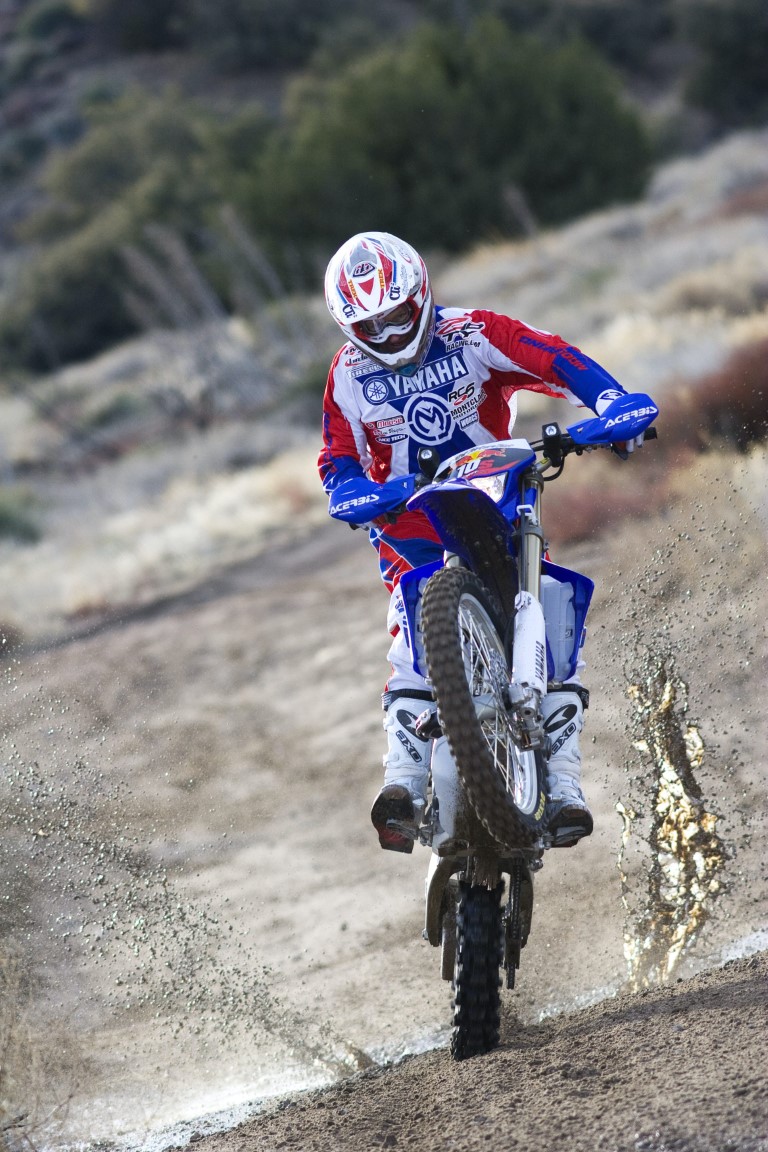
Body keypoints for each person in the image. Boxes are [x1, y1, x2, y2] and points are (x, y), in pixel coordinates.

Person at [318, 231, 649, 854]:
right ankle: (404, 783)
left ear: (421, 293)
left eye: (397, 317)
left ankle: (566, 783)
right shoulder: (348, 375)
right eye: (370, 325)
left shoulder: (474, 332)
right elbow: (338, 454)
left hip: (496, 492)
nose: (388, 335)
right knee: (409, 616)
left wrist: (611, 402)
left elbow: (551, 357)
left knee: (548, 598)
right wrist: (349, 492)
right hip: (408, 521)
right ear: (347, 326)